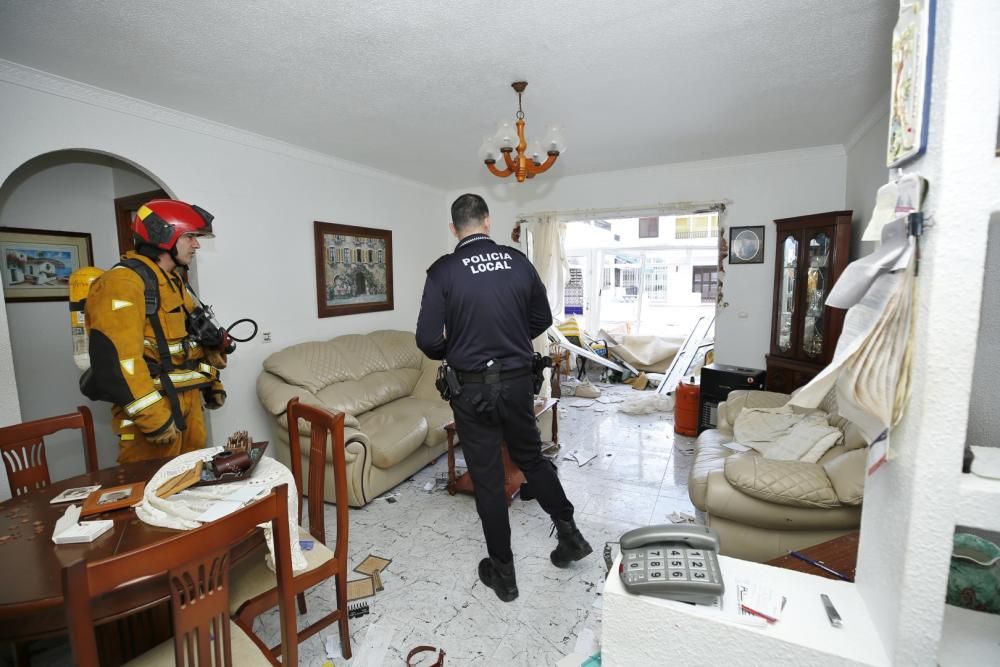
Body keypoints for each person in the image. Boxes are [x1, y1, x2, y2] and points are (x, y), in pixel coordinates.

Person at [416, 193, 591, 602]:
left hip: (471, 389)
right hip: (516, 384)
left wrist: (453, 348)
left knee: (489, 479)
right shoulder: (517, 261)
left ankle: (504, 573)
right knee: (531, 458)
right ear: (487, 222)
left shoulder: (443, 271)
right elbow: (542, 319)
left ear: (453, 228)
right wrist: (511, 337)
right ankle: (570, 535)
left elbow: (427, 339)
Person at [83, 200, 227, 463]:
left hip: (188, 406)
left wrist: (212, 383)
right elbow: (119, 361)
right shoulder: (122, 283)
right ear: (164, 235)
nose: (197, 245)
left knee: (191, 485)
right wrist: (155, 420)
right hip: (154, 416)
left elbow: (192, 342)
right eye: (190, 237)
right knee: (148, 491)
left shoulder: (173, 282)